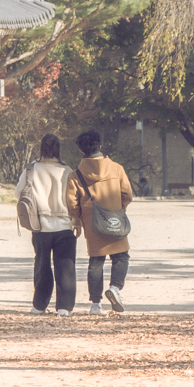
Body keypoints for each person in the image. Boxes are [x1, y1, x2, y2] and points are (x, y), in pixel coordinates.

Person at [67, 127, 134, 315]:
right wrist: (119, 209)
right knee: (121, 256)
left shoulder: (76, 175)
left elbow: (72, 203)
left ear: (81, 149)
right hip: (115, 218)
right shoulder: (117, 169)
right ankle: (115, 288)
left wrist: (78, 220)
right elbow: (127, 194)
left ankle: (95, 304)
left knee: (96, 261)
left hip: (92, 222)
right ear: (100, 145)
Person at [16, 133, 77, 317]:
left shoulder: (31, 169)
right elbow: (75, 198)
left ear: (41, 148)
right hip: (64, 226)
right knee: (65, 267)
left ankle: (39, 305)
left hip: (40, 225)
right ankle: (64, 307)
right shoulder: (67, 170)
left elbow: (19, 192)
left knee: (42, 266)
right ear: (58, 149)